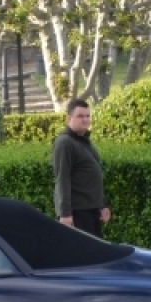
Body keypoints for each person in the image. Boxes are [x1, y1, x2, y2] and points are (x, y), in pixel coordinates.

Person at [52, 98, 111, 238]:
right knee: (86, 255)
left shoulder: (84, 142)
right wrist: (65, 213)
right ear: (69, 118)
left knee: (97, 253)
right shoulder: (65, 143)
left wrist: (102, 205)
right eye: (80, 116)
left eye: (87, 116)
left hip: (92, 211)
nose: (85, 120)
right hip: (78, 212)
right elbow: (62, 178)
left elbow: (92, 178)